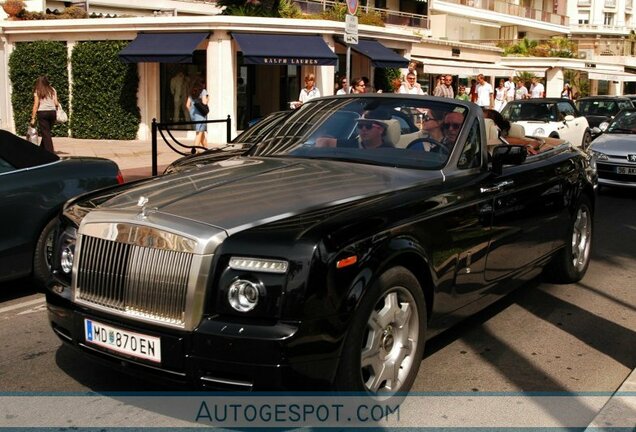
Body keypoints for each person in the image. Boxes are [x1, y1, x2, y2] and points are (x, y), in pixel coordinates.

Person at [315, 109, 396, 149]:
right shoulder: (352, 145)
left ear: (381, 130)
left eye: (368, 126)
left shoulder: (389, 152)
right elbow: (322, 141)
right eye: (360, 126)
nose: (363, 129)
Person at [30, 76, 58, 153]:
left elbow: (36, 105)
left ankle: (50, 154)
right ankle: (41, 150)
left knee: (46, 134)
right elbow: (56, 103)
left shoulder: (38, 90)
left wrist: (33, 117)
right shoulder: (53, 90)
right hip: (52, 113)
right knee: (46, 133)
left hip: (43, 113)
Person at [185, 77, 208, 148]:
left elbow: (187, 105)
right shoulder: (203, 91)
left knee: (202, 135)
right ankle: (194, 151)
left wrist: (192, 112)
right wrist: (208, 99)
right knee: (199, 134)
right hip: (201, 116)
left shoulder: (192, 91)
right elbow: (204, 102)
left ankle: (207, 150)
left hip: (194, 116)